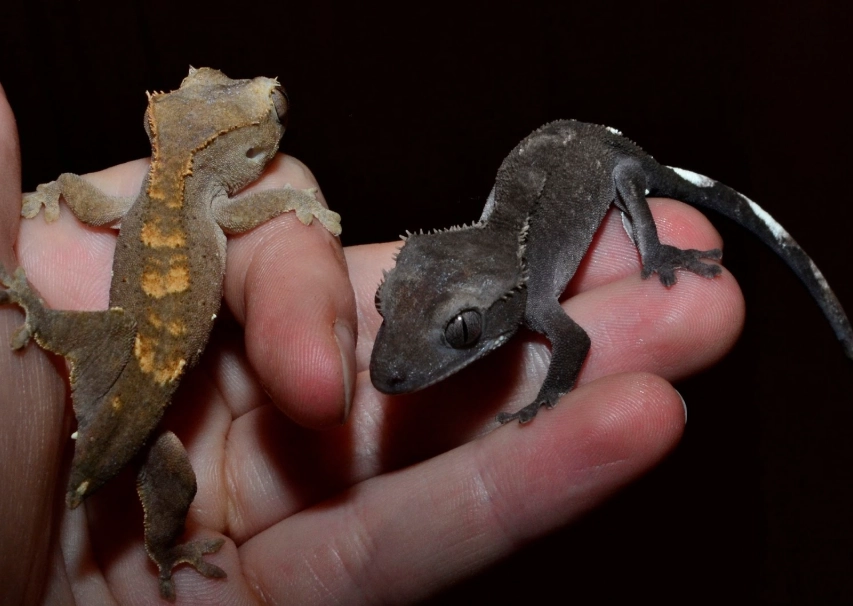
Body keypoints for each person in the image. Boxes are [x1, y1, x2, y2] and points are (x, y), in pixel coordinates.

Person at [0, 82, 744, 604]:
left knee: (636, 187)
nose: (387, 358)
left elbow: (569, 340)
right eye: (387, 304)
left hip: (604, 160)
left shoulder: (538, 298)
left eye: (459, 331)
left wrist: (553, 391)